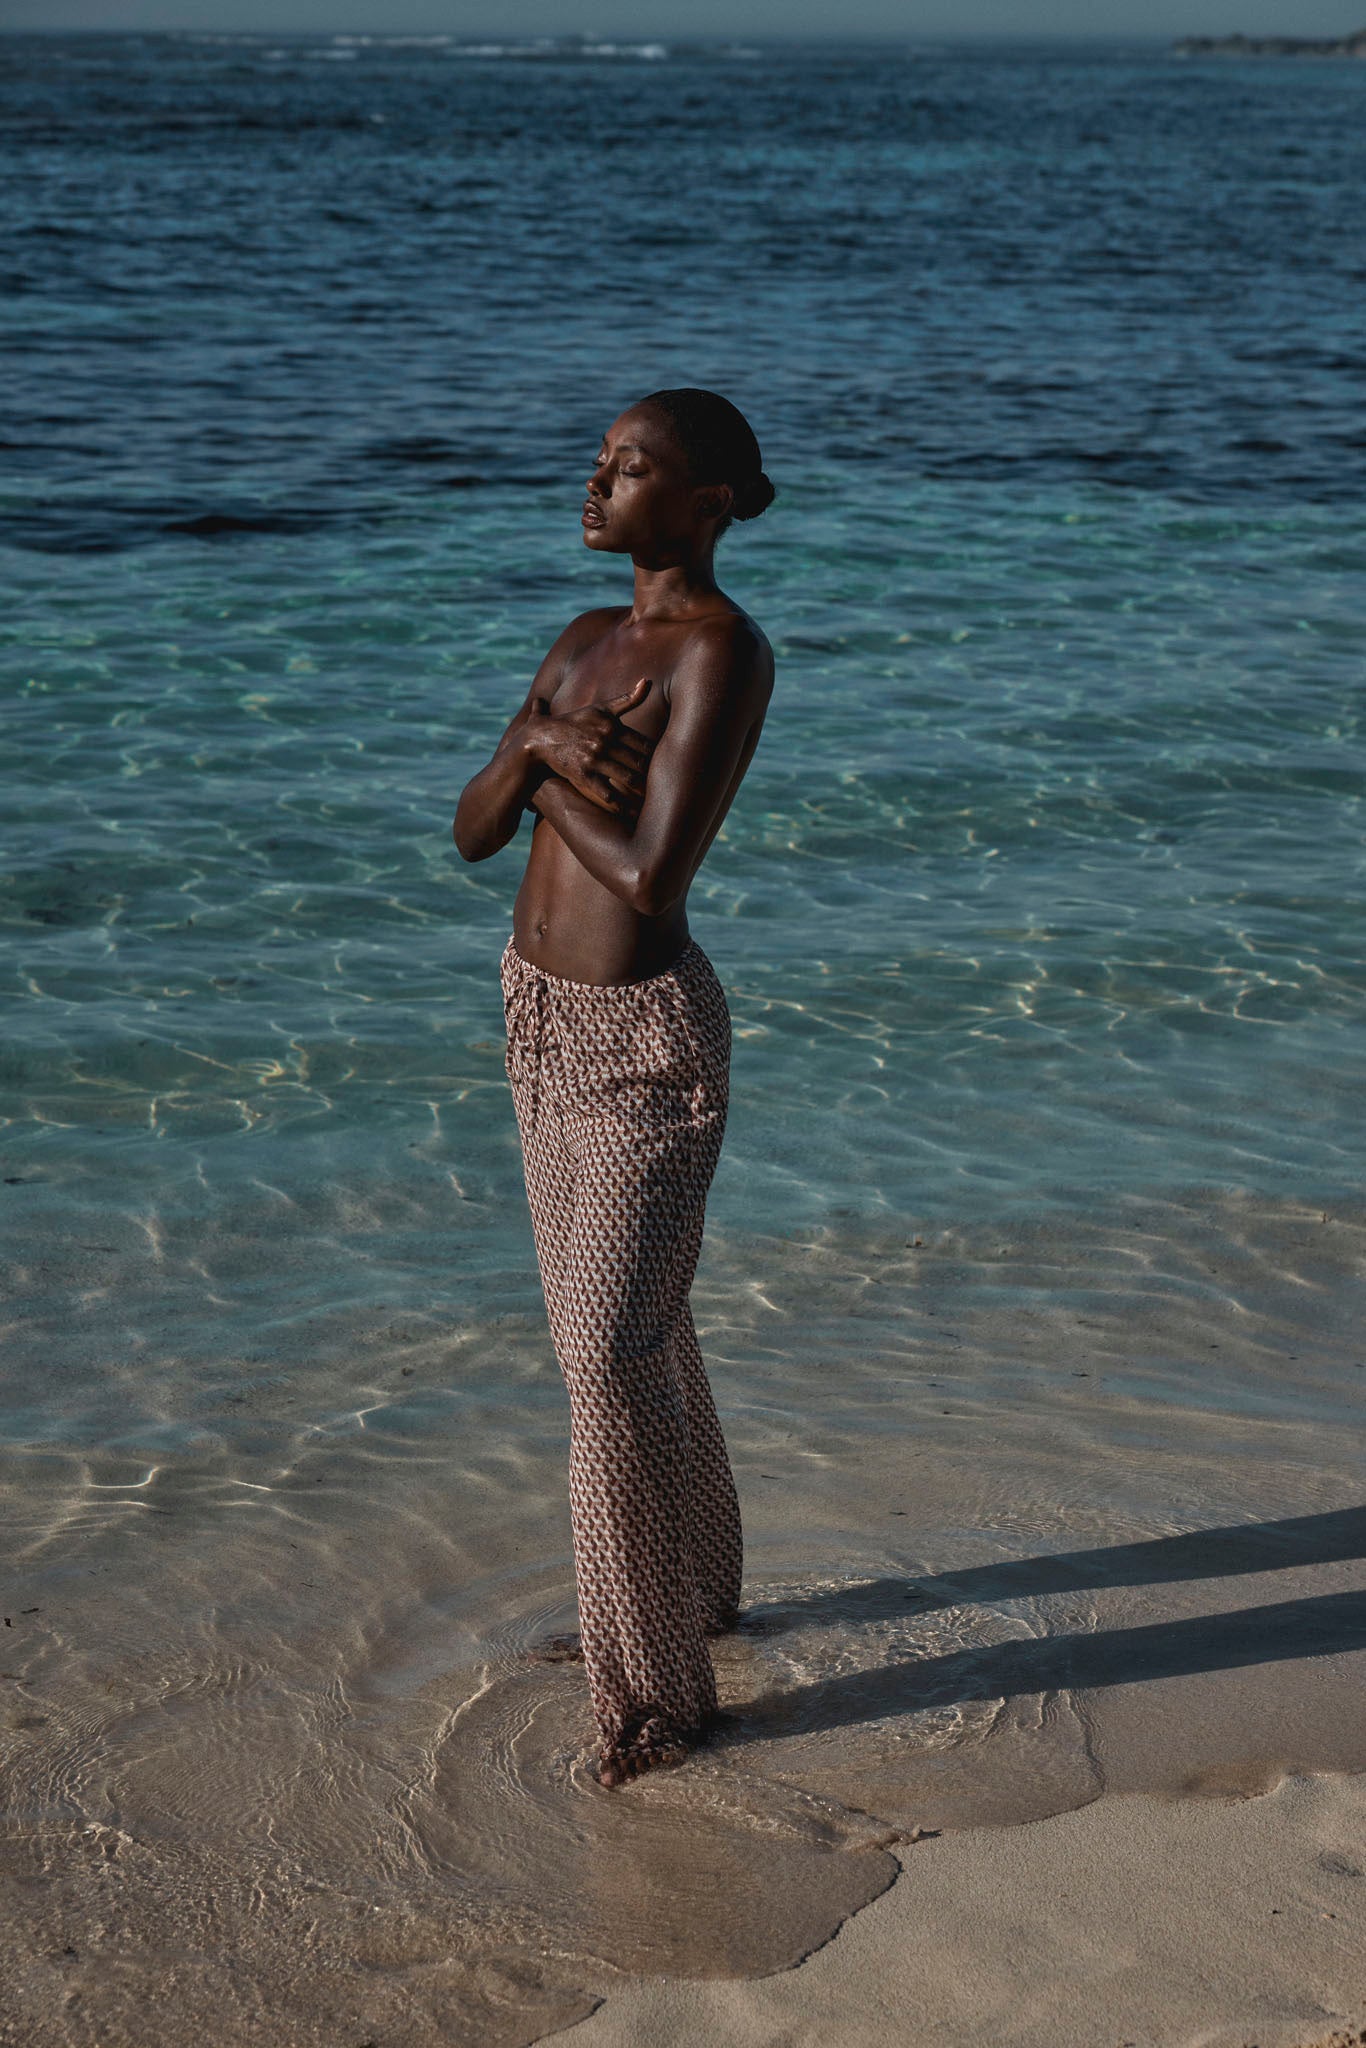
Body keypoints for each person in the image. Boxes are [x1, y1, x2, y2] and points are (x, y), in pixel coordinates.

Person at [452, 387, 776, 1787]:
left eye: (630, 470)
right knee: (641, 1337)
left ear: (703, 503)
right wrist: (530, 752)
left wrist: (555, 788)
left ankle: (651, 1695)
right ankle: (691, 1594)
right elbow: (471, 833)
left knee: (605, 1359)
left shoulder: (721, 654)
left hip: (642, 1041)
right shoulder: (582, 643)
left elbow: (652, 876)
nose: (596, 488)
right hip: (536, 1022)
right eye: (596, 465)